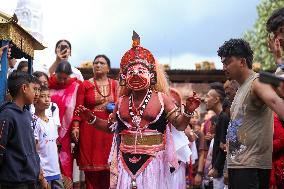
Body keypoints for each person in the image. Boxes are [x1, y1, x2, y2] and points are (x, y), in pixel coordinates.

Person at [75, 31, 200, 189]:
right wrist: (91, 118)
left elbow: (180, 125)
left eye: (141, 71)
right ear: (124, 77)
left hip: (155, 162)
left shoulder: (162, 99)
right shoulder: (121, 102)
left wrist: (188, 111)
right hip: (125, 162)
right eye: (131, 72)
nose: (135, 75)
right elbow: (109, 127)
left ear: (151, 76)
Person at [218, 38, 284, 189]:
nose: (224, 67)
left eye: (227, 62)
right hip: (238, 165)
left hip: (251, 167)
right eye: (222, 63)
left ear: (242, 62)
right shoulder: (240, 89)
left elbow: (276, 102)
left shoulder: (257, 82)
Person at [71, 55, 118, 189]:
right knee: (91, 172)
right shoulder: (85, 85)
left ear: (108, 68)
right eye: (95, 63)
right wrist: (75, 127)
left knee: (110, 169)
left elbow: (121, 106)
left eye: (101, 63)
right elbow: (78, 108)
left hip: (109, 130)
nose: (98, 65)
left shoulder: (115, 84)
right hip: (89, 132)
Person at [0, 71, 42, 189]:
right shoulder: (7, 115)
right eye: (34, 89)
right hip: (14, 180)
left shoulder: (27, 114)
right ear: (24, 88)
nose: (36, 93)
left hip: (30, 177)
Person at [49, 61, 82, 188]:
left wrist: (75, 126)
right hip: (49, 132)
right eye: (59, 77)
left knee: (65, 163)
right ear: (55, 74)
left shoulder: (76, 86)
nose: (62, 81)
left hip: (67, 135)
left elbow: (78, 108)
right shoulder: (47, 84)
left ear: (70, 75)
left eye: (65, 78)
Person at [33, 85, 64, 189]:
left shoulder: (52, 120)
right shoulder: (34, 122)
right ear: (35, 99)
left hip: (55, 170)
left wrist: (59, 169)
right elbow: (34, 150)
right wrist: (40, 173)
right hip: (43, 172)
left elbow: (54, 146)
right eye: (42, 96)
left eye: (48, 96)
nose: (47, 100)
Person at [205, 82, 229, 189]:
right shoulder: (219, 118)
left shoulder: (223, 118)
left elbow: (224, 146)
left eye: (208, 96)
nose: (205, 99)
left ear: (216, 99)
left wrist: (216, 167)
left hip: (222, 171)